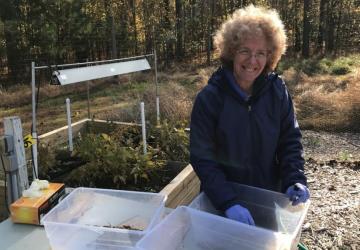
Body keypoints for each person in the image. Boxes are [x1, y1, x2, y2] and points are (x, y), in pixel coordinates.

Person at [190, 5, 310, 226]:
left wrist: (295, 179)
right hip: (221, 204)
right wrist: (227, 202)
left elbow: (290, 141)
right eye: (245, 50)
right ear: (231, 51)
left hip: (265, 199)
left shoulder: (277, 91)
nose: (252, 61)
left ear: (270, 56)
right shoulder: (210, 99)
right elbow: (202, 158)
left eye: (261, 53)